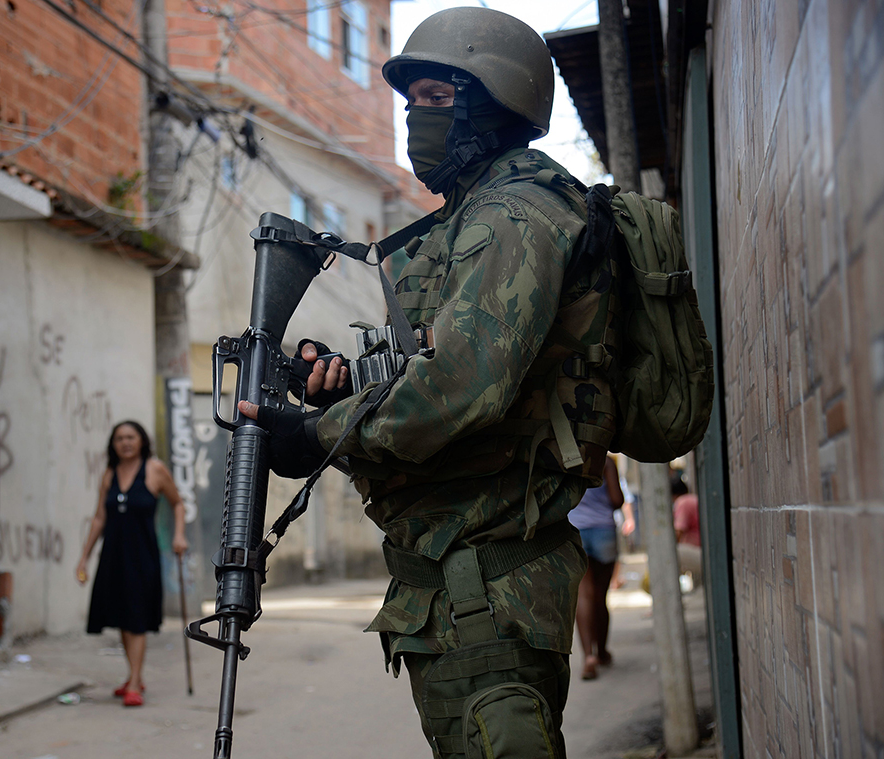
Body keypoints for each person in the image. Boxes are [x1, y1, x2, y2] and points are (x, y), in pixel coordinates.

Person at [238, 8, 621, 757]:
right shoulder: (476, 217)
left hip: (489, 597)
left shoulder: (515, 215)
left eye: (437, 99)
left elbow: (461, 386)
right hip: (459, 589)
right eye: (411, 102)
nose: (418, 118)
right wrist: (344, 387)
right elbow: (452, 365)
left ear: (496, 102)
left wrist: (315, 433)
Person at [76, 420, 188, 707]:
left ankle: (136, 683)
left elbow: (177, 503)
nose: (125, 443)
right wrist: (84, 557)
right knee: (122, 618)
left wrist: (178, 535)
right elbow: (100, 517)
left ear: (141, 441)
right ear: (113, 445)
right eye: (119, 438)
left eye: (131, 437)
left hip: (142, 556)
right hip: (113, 555)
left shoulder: (154, 470)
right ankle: (132, 676)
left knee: (136, 619)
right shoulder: (109, 474)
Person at [568, 456, 624, 680]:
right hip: (603, 530)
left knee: (584, 594)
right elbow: (617, 499)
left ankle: (588, 657)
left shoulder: (567, 457)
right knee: (601, 595)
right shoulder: (606, 461)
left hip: (575, 529)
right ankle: (601, 652)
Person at [672, 475, 702, 586]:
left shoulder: (683, 502)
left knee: (673, 552)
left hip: (701, 554)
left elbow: (679, 531)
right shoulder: (691, 499)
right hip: (702, 551)